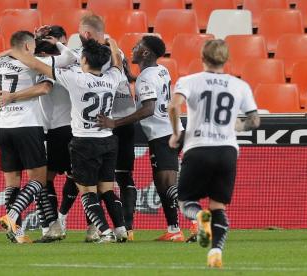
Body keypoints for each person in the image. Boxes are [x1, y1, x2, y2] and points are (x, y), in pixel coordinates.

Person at [7, 37, 128, 243]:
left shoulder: (75, 79)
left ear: (84, 60)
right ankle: (121, 230)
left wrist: (14, 51)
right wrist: (113, 42)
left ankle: (105, 233)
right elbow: (117, 61)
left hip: (84, 142)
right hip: (108, 140)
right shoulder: (113, 77)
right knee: (107, 189)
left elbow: (37, 65)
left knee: (87, 192)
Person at [168, 39, 260, 267]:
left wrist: (175, 133)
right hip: (227, 150)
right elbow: (255, 120)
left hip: (198, 147)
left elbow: (173, 106)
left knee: (185, 200)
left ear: (202, 58)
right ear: (227, 60)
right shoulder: (240, 85)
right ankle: (215, 252)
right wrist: (236, 127)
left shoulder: (189, 81)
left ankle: (200, 218)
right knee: (218, 206)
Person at [97, 35, 187, 242]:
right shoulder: (161, 70)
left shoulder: (146, 78)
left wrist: (115, 123)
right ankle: (174, 230)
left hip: (162, 136)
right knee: (163, 185)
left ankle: (196, 216)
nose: (133, 49)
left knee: (167, 186)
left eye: (138, 47)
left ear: (145, 53)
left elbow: (148, 109)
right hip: (172, 131)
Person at [58, 13, 137, 241]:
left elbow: (57, 66)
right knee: (111, 184)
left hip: (93, 127)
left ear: (86, 34)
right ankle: (123, 229)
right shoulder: (116, 55)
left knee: (85, 186)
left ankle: (99, 229)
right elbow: (123, 73)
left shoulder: (83, 60)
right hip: (117, 125)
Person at [0, 26, 75, 242]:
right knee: (39, 180)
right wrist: (56, 44)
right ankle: (13, 215)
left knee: (12, 182)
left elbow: (9, 52)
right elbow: (64, 62)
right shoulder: (37, 64)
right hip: (28, 124)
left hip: (3, 125)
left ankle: (18, 233)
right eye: (33, 44)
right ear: (26, 47)